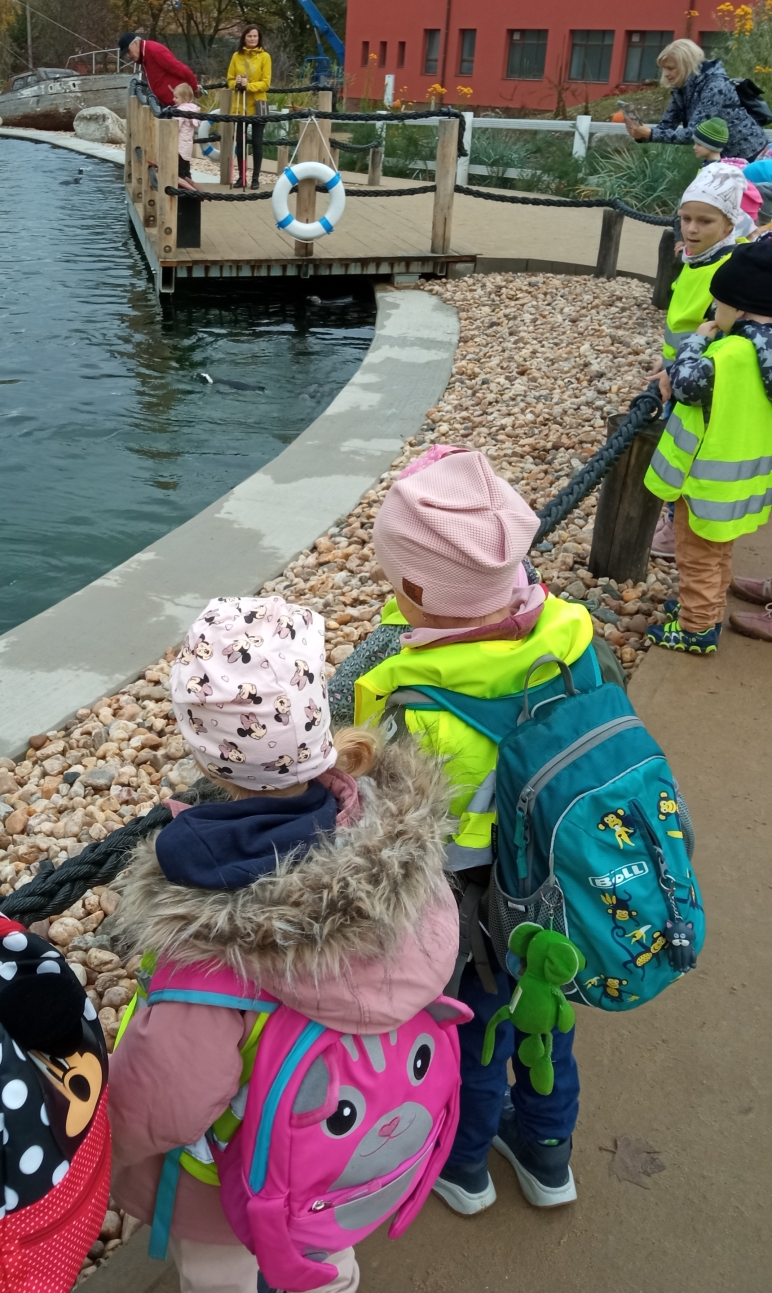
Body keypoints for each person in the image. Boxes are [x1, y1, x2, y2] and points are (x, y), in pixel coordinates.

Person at [106, 595, 459, 1293]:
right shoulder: (406, 859)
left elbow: (166, 1104)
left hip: (230, 1185)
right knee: (326, 1258)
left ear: (209, 759)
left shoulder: (211, 950)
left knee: (221, 1275)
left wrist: (102, 1148)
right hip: (348, 1157)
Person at [328, 448, 626, 1216]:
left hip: (480, 906)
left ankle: (464, 1169)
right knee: (547, 1020)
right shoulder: (570, 639)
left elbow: (415, 839)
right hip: (564, 881)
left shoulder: (419, 706)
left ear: (415, 592)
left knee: (477, 1029)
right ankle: (548, 1156)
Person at [646, 240, 772, 652]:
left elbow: (686, 385)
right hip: (739, 484)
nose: (714, 311)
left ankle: (697, 627)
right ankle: (705, 609)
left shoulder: (731, 353)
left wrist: (697, 340)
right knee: (718, 552)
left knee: (697, 556)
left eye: (718, 304)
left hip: (704, 481)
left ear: (739, 309)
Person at [650, 162, 748, 559]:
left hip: (698, 379)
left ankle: (679, 527)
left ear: (729, 225)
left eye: (705, 221)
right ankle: (673, 519)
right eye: (685, 219)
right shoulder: (697, 258)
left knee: (688, 456)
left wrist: (678, 369)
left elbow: (718, 332)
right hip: (678, 369)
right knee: (674, 447)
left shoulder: (730, 269)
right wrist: (667, 362)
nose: (691, 230)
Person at [625, 39, 767, 161]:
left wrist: (650, 134)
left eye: (670, 68)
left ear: (686, 65)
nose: (666, 74)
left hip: (751, 155)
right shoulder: (682, 88)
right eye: (664, 69)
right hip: (723, 159)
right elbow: (666, 126)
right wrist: (640, 134)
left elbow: (695, 133)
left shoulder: (715, 86)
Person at [225, 25, 272, 189]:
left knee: (257, 143)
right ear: (244, 38)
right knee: (240, 142)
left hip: (258, 105)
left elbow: (266, 83)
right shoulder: (236, 56)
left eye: (255, 36)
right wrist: (236, 83)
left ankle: (255, 179)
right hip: (240, 105)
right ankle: (241, 177)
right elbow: (229, 80)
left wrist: (248, 85)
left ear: (259, 38)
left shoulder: (265, 57)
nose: (252, 39)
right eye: (249, 36)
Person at [690, 116, 763, 220]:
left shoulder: (718, 172)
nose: (694, 147)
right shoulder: (710, 166)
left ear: (711, 145)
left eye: (699, 144)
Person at [119, 32, 199, 107]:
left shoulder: (153, 50)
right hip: (169, 103)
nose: (128, 56)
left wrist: (194, 87)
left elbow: (178, 68)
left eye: (128, 51)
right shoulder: (144, 56)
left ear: (136, 43)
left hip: (178, 103)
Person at [172, 81, 200, 191]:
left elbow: (175, 126)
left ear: (185, 98)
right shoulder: (193, 110)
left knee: (179, 171)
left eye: (176, 97)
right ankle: (191, 190)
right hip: (187, 145)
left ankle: (183, 191)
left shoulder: (181, 111)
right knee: (186, 169)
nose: (173, 99)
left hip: (179, 145)